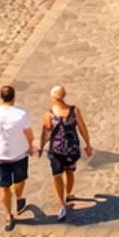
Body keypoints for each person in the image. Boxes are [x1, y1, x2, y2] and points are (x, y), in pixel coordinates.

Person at [0, 82, 37, 226]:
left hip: (0, 154)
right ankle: (19, 197)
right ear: (13, 98)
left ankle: (8, 213)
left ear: (0, 97)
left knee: (4, 186)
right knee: (20, 179)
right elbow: (29, 133)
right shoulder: (21, 114)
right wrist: (30, 146)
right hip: (19, 153)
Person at [41, 84, 92, 220]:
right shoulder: (74, 111)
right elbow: (82, 128)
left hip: (56, 150)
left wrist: (41, 145)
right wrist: (88, 144)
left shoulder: (49, 113)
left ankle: (62, 203)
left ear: (53, 97)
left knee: (57, 176)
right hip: (71, 148)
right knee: (69, 172)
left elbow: (46, 131)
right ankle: (68, 193)